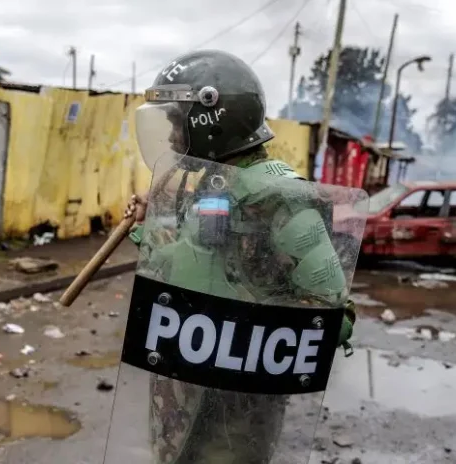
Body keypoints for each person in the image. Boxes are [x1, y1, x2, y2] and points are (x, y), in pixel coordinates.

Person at [122, 49, 357, 464]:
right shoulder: (216, 186)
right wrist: (147, 229)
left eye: (178, 122)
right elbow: (196, 261)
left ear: (212, 120)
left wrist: (253, 329)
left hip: (236, 417)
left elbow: (333, 318)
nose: (174, 136)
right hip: (184, 400)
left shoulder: (281, 201)